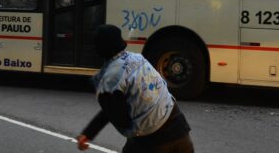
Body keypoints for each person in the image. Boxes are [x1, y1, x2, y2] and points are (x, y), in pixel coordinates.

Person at [76, 24, 194, 153]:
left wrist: (88, 133)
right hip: (180, 129)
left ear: (98, 50)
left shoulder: (108, 82)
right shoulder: (138, 58)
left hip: (153, 142)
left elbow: (120, 118)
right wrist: (89, 132)